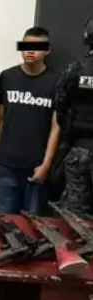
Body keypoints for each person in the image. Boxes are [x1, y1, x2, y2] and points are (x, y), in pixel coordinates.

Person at [0, 27, 59, 215]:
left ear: (47, 50)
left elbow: (57, 126)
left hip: (37, 166)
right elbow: (0, 118)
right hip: (7, 165)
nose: (31, 50)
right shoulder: (7, 77)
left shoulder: (57, 82)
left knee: (35, 224)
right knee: (5, 221)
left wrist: (46, 165)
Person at [53, 18, 93, 215]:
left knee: (75, 214)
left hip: (79, 148)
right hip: (79, 146)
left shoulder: (75, 69)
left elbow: (59, 106)